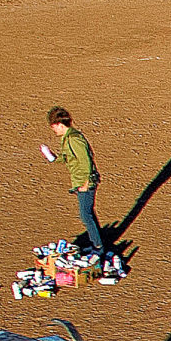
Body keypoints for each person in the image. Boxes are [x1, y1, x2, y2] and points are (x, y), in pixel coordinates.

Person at [45, 107, 104, 250]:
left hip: (85, 182)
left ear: (60, 124)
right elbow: (68, 158)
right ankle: (98, 242)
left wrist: (85, 183)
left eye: (54, 127)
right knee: (88, 213)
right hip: (80, 181)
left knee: (85, 215)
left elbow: (86, 161)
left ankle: (98, 246)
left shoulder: (74, 139)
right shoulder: (67, 138)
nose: (54, 131)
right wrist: (52, 157)